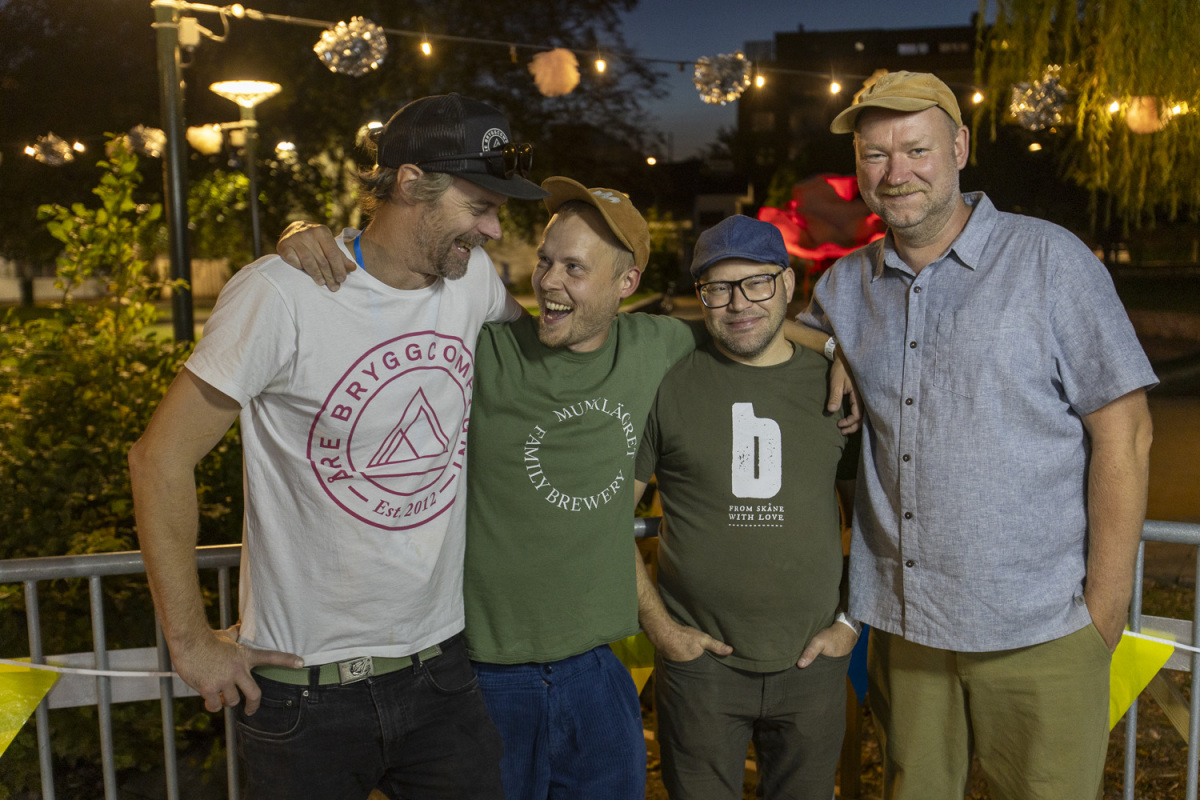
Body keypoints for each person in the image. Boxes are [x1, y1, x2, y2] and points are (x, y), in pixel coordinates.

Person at [278, 178, 858, 799]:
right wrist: (308, 237)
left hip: (595, 667)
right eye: (546, 261)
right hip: (485, 670)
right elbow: (385, 304)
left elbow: (749, 324)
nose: (550, 282)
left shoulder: (656, 345)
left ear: (625, 283)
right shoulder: (482, 349)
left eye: (575, 268)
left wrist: (836, 349)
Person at [128, 93, 551, 800]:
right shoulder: (280, 295)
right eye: (479, 206)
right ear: (411, 183)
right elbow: (158, 459)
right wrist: (191, 643)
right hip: (304, 693)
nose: (493, 228)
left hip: (442, 675)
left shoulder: (471, 278)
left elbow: (552, 348)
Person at [799, 70, 1157, 799]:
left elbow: (1127, 435)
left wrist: (1105, 609)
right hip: (907, 629)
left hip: (1040, 627)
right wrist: (829, 347)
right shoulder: (842, 287)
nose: (896, 173)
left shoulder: (1049, 261)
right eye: (875, 154)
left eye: (917, 150)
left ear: (960, 147)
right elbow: (768, 335)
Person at [633, 215, 860, 799]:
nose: (739, 303)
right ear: (700, 294)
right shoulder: (668, 381)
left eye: (757, 282)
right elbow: (610, 519)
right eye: (718, 288)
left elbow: (876, 518)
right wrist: (663, 631)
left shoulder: (836, 387)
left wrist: (849, 623)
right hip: (700, 668)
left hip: (813, 664)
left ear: (788, 284)